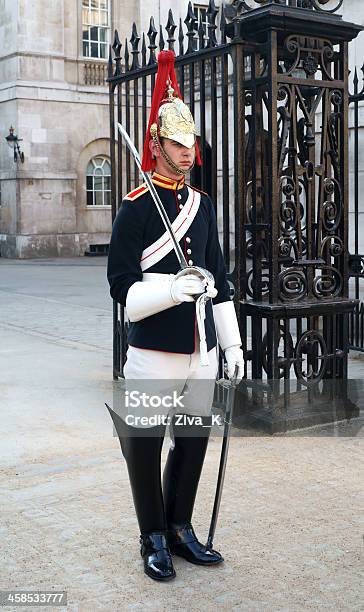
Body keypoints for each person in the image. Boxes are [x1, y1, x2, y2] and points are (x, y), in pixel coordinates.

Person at [107, 50, 244, 582]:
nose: (188, 154)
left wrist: (231, 345)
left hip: (201, 348)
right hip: (153, 347)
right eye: (177, 145)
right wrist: (172, 289)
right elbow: (121, 289)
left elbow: (222, 278)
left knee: (191, 441)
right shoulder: (136, 206)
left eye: (192, 145)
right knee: (143, 445)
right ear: (157, 146)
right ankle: (153, 536)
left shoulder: (204, 205)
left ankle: (182, 527)